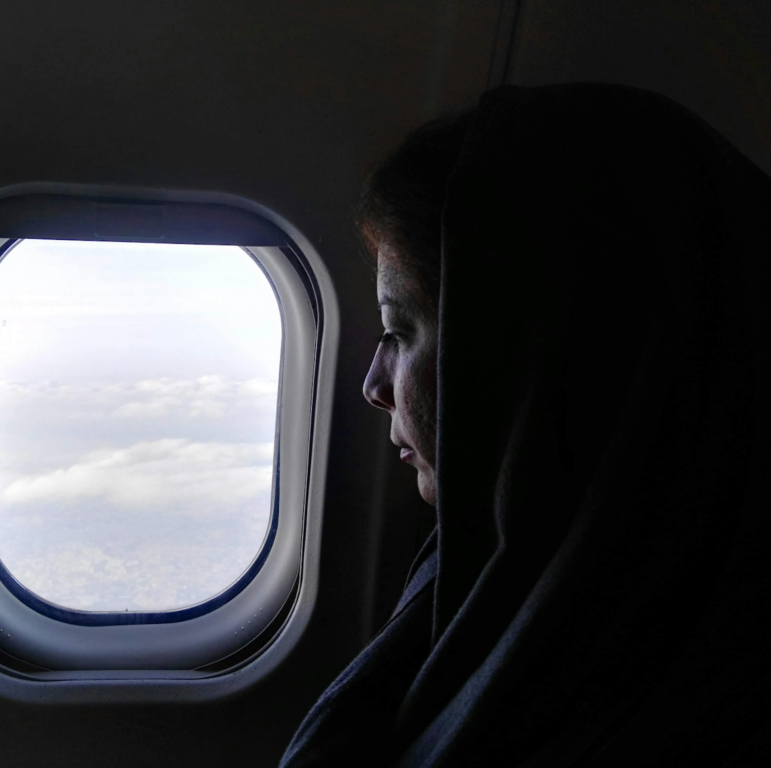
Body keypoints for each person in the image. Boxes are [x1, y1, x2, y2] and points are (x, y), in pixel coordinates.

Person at [279, 83, 771, 767]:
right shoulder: (500, 560)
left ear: (534, 357)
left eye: (400, 330)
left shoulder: (694, 695)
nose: (372, 387)